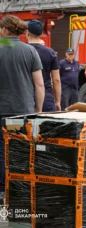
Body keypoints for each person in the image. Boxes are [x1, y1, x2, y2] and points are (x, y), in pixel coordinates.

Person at [0, 15, 44, 203]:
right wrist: (38, 110)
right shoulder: (30, 51)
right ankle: (19, 189)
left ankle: (2, 190)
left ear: (4, 30)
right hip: (21, 110)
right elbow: (40, 85)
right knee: (17, 147)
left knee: (1, 150)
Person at [27, 20, 61, 112]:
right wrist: (57, 101)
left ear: (27, 32)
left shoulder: (21, 51)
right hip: (46, 98)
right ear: (41, 34)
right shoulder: (50, 53)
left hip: (25, 99)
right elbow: (56, 80)